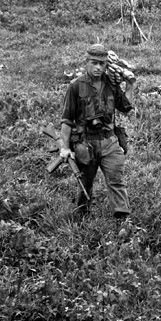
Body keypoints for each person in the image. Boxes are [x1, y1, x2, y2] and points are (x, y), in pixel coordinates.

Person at [59, 44, 135, 222]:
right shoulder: (76, 86)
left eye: (102, 64)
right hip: (86, 144)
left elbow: (125, 107)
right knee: (85, 184)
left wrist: (130, 85)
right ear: (87, 62)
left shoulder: (111, 85)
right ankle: (81, 218)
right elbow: (67, 120)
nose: (98, 67)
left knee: (116, 181)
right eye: (94, 63)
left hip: (109, 141)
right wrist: (64, 147)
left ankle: (123, 221)